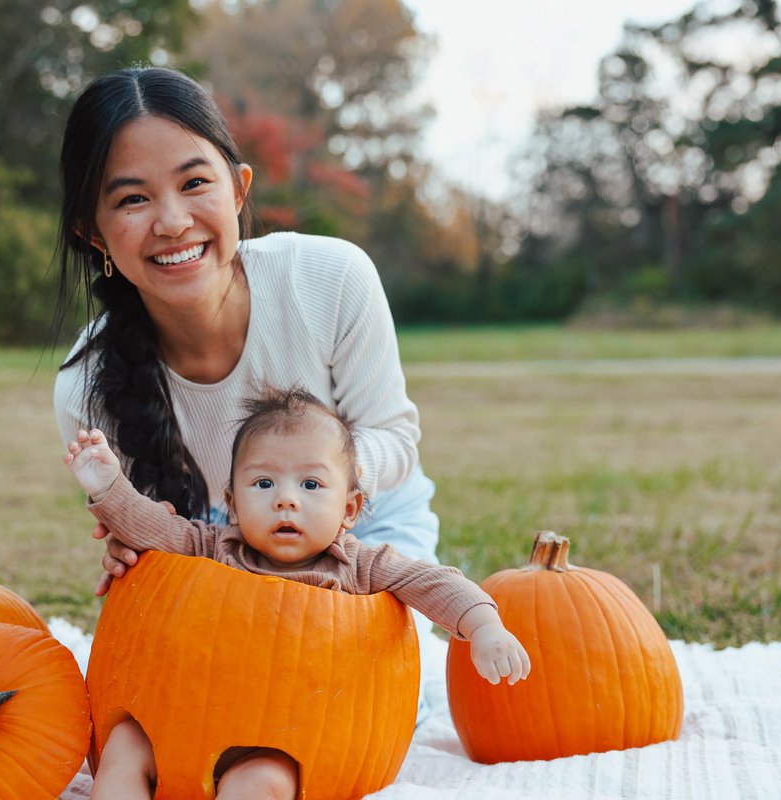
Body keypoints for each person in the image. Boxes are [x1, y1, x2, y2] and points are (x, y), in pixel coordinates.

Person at [52, 64, 439, 602]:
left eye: (194, 183)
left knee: (361, 678)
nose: (172, 222)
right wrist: (137, 543)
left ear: (238, 189)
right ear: (91, 232)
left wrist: (309, 490)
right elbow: (159, 532)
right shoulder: (85, 386)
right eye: (132, 199)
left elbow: (394, 442)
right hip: (222, 551)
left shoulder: (330, 278)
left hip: (367, 531)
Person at [63, 387, 531, 800]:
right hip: (179, 721)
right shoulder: (213, 546)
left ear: (349, 508)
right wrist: (109, 486)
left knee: (264, 780)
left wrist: (483, 624)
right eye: (263, 483)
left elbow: (432, 581)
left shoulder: (358, 566)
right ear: (233, 502)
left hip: (277, 735)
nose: (286, 499)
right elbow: (153, 528)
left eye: (310, 484)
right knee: (124, 746)